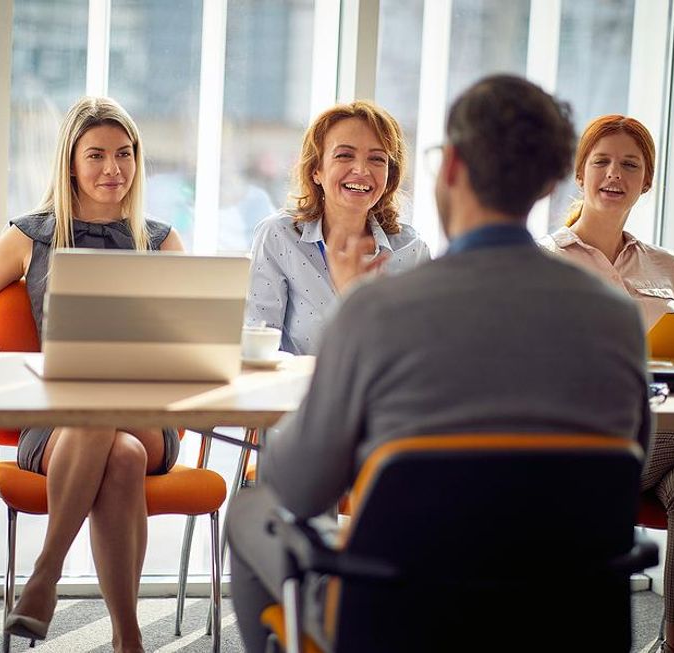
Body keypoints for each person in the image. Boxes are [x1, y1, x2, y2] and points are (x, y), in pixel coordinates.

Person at [227, 76, 652, 652]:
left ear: (449, 168)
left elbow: (299, 487)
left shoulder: (373, 307)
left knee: (252, 508)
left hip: (402, 618)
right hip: (564, 622)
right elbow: (625, 471)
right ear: (554, 180)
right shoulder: (618, 318)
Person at [0, 96, 182, 652]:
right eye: (97, 155)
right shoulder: (30, 237)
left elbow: (186, 337)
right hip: (57, 423)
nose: (113, 169)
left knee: (114, 421)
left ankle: (44, 577)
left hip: (147, 415)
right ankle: (129, 639)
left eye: (125, 154)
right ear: (71, 162)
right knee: (119, 455)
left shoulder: (160, 240)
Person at [541, 114, 674, 653]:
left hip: (672, 438)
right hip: (591, 442)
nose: (614, 174)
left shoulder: (665, 266)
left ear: (647, 182)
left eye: (630, 164)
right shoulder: (546, 261)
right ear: (580, 174)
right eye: (601, 161)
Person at [244, 100, 430, 355]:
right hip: (299, 391)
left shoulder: (413, 250)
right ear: (316, 170)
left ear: (389, 177)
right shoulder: (279, 236)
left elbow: (417, 354)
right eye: (344, 155)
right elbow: (257, 347)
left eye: (377, 159)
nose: (362, 170)